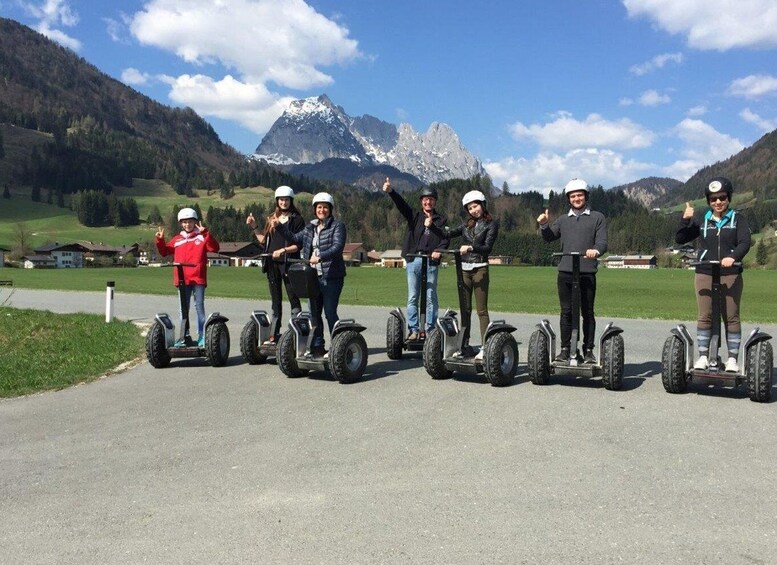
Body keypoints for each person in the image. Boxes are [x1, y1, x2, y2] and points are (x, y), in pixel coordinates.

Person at [675, 177, 751, 372]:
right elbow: (680, 238)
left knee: (731, 316)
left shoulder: (738, 219)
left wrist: (733, 257)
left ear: (729, 198)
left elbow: (745, 242)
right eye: (713, 199)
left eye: (722, 197)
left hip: (730, 272)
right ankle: (703, 357)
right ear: (708, 201)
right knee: (705, 316)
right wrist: (686, 218)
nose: (718, 202)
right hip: (705, 271)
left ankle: (732, 359)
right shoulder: (703, 220)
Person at [537, 178, 607, 364]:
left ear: (586, 196)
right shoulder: (562, 219)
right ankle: (565, 350)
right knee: (566, 312)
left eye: (580, 195)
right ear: (569, 199)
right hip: (566, 271)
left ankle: (589, 351)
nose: (577, 198)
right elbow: (549, 237)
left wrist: (596, 251)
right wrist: (544, 225)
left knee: (588, 312)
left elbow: (602, 242)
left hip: (587, 271)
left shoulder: (597, 217)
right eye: (573, 196)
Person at [273, 192, 346, 356]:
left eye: (325, 207)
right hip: (312, 277)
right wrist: (279, 226)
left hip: (331, 276)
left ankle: (338, 348)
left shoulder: (337, 226)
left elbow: (337, 247)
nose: (322, 210)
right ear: (315, 210)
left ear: (330, 209)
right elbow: (293, 238)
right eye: (319, 207)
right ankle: (318, 346)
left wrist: (320, 256)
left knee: (329, 313)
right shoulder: (310, 228)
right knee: (314, 314)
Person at [383, 177, 449, 340]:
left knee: (431, 296)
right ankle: (414, 329)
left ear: (435, 202)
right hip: (414, 260)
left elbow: (445, 239)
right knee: (413, 295)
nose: (428, 202)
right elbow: (402, 205)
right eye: (426, 199)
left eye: (431, 200)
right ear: (422, 202)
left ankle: (431, 330)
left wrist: (439, 250)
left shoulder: (440, 220)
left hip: (431, 261)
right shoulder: (415, 216)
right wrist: (391, 192)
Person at [443, 190, 499, 360]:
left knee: (482, 311)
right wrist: (432, 226)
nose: (473, 210)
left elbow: (487, 248)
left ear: (482, 205)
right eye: (469, 208)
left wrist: (470, 247)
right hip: (464, 270)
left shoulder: (491, 224)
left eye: (475, 206)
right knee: (465, 310)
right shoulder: (465, 226)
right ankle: (464, 345)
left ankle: (485, 346)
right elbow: (447, 233)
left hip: (480, 269)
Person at [246, 185, 305, 344]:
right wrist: (254, 227)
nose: (283, 202)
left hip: (289, 263)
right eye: (281, 199)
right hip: (272, 264)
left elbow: (299, 245)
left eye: (286, 199)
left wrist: (283, 250)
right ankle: (274, 333)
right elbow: (264, 241)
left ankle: (296, 332)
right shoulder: (271, 218)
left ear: (291, 201)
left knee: (293, 297)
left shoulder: (297, 220)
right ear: (277, 201)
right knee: (276, 300)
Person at [155, 207, 220, 347]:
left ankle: (202, 336)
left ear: (195, 222)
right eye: (184, 222)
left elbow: (215, 248)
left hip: (198, 279)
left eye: (190, 221)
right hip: (182, 279)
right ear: (180, 223)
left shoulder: (202, 237)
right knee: (183, 309)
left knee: (199, 307)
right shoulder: (177, 239)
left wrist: (206, 233)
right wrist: (160, 240)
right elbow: (165, 252)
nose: (187, 225)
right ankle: (185, 336)